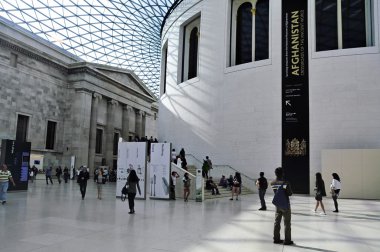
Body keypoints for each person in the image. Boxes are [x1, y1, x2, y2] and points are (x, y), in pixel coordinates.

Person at [271, 167, 293, 245]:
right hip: (285, 204)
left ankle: (276, 239)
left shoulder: (272, 182)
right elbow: (289, 193)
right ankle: (287, 240)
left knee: (277, 222)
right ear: (282, 173)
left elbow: (276, 192)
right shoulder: (285, 183)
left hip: (277, 204)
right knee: (287, 223)